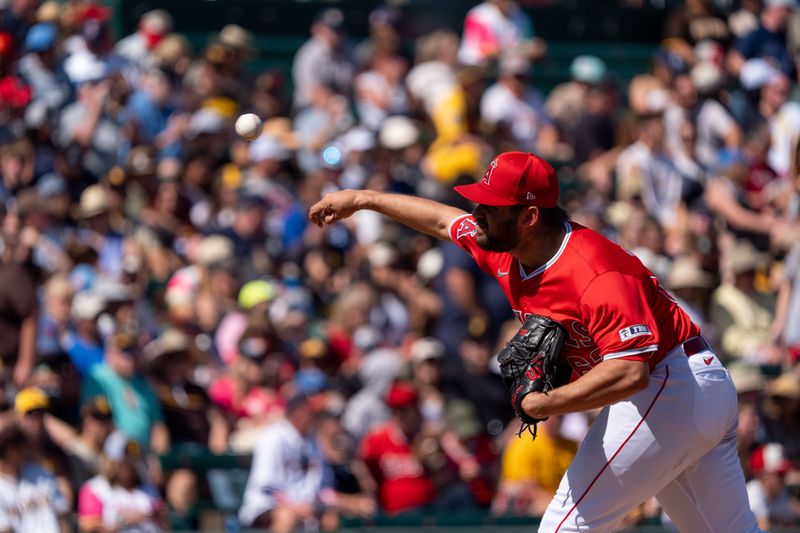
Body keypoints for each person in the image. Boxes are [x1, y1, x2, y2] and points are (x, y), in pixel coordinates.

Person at [309, 151, 760, 532]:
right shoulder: (505, 244)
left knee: (564, 526)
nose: (478, 214)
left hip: (668, 385)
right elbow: (446, 223)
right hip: (692, 389)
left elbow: (630, 371)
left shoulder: (594, 271)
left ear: (528, 217)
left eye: (490, 207)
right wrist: (364, 199)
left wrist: (548, 405)